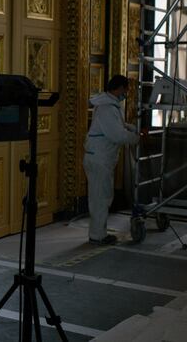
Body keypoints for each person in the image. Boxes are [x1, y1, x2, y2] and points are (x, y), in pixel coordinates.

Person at [84, 74, 140, 245]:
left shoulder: (108, 104)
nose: (126, 93)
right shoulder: (107, 107)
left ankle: (98, 233)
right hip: (99, 159)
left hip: (99, 157)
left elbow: (118, 126)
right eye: (126, 89)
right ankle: (98, 236)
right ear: (119, 88)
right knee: (101, 198)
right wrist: (136, 138)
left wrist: (132, 129)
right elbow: (116, 134)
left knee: (101, 196)